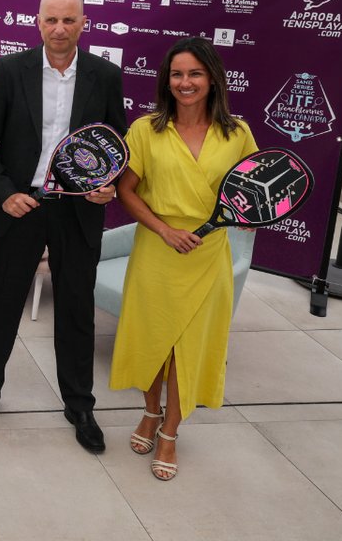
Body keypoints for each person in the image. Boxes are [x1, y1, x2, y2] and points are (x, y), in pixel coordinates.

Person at [0, 0, 127, 453]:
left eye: (69, 20)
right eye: (51, 19)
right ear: (38, 22)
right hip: (20, 206)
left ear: (83, 23)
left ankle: (79, 405)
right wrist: (5, 193)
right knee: (1, 305)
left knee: (76, 309)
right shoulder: (11, 70)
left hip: (77, 211)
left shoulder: (105, 75)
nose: (59, 29)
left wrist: (108, 184)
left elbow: (114, 143)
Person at [111, 37, 257, 481]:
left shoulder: (238, 133)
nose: (185, 82)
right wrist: (164, 230)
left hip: (208, 254)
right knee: (154, 343)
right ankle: (151, 412)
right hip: (158, 248)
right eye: (177, 74)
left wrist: (250, 218)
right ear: (166, 80)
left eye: (194, 73)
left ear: (212, 78)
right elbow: (126, 190)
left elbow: (255, 191)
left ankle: (171, 432)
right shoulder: (146, 129)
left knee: (189, 350)